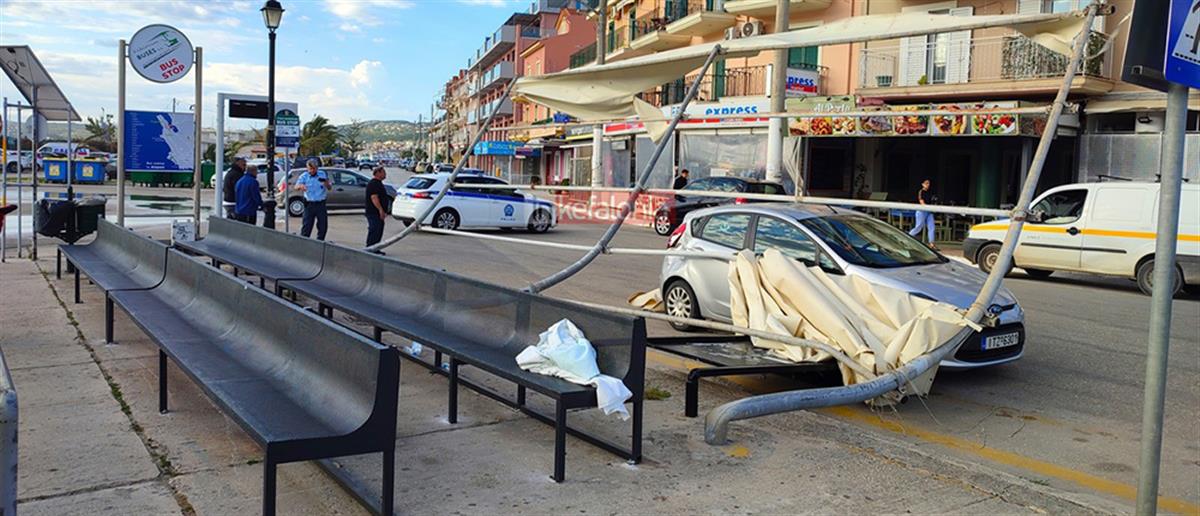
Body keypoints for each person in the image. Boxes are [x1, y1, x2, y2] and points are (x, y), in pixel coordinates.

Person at [295, 158, 331, 240]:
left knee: (323, 225)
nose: (312, 171)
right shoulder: (304, 176)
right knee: (307, 225)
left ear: (317, 168)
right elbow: (296, 187)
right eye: (310, 169)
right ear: (307, 168)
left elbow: (329, 188)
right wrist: (301, 186)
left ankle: (320, 242)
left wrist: (327, 183)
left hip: (320, 204)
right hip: (309, 204)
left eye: (314, 169)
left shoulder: (322, 174)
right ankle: (304, 242)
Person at [364, 166, 390, 251]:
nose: (385, 174)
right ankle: (370, 248)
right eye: (383, 172)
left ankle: (376, 248)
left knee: (378, 231)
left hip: (377, 213)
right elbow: (374, 198)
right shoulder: (374, 184)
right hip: (374, 212)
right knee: (374, 230)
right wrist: (380, 210)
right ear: (378, 173)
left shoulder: (379, 183)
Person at [909, 178, 938, 249]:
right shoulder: (921, 191)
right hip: (922, 211)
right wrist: (926, 207)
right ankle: (908, 237)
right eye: (926, 183)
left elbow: (933, 201)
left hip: (929, 211)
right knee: (919, 226)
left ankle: (931, 244)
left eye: (928, 183)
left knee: (932, 227)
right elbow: (921, 201)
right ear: (922, 184)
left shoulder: (930, 192)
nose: (928, 185)